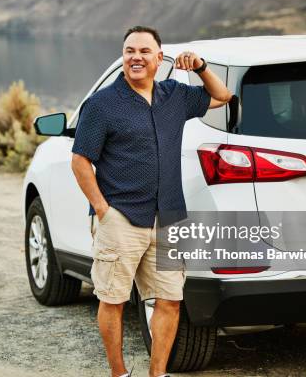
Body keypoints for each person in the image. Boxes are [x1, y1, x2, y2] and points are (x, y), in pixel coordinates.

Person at [71, 26, 232, 377]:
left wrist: (202, 66)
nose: (136, 57)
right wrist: (103, 210)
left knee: (170, 301)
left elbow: (223, 96)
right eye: (129, 51)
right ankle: (119, 373)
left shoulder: (175, 95)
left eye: (144, 51)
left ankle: (157, 373)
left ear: (160, 58)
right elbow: (80, 160)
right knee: (112, 301)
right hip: (121, 217)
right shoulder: (101, 105)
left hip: (170, 217)